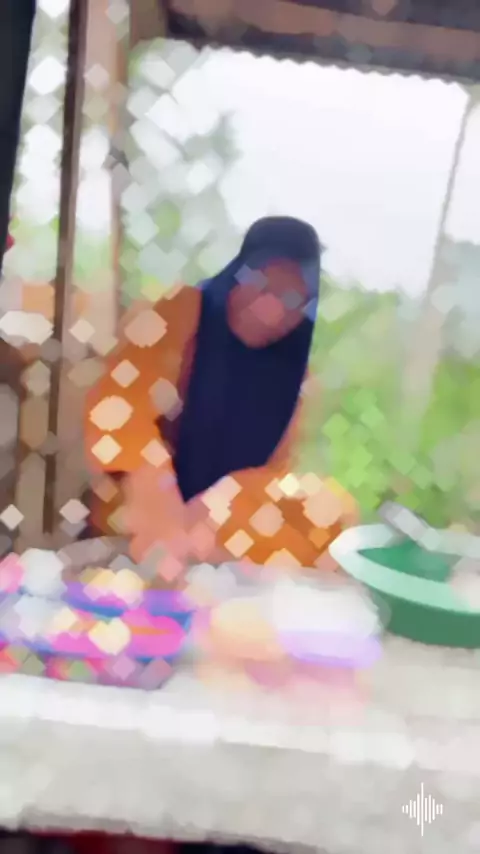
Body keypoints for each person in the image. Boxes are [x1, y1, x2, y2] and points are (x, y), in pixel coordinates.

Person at [85, 217, 356, 581]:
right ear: (236, 273)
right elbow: (116, 408)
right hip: (141, 512)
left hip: (219, 531)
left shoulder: (294, 376)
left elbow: (273, 473)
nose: (272, 308)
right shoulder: (178, 311)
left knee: (331, 513)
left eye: (292, 298)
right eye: (261, 283)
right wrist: (156, 483)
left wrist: (224, 502)